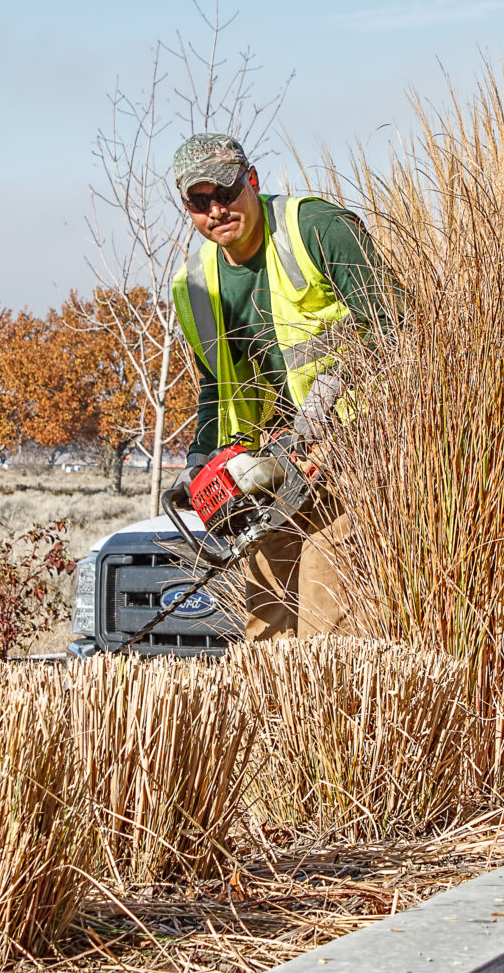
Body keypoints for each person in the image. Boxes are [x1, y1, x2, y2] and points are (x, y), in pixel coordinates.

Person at [169, 132, 391, 639]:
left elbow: (396, 324)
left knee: (325, 609)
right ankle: (273, 715)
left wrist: (330, 396)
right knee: (266, 618)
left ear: (252, 180)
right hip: (269, 462)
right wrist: (202, 460)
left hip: (349, 446)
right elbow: (217, 382)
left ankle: (331, 714)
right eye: (201, 202)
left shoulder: (316, 228)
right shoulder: (196, 282)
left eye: (226, 191)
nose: (217, 210)